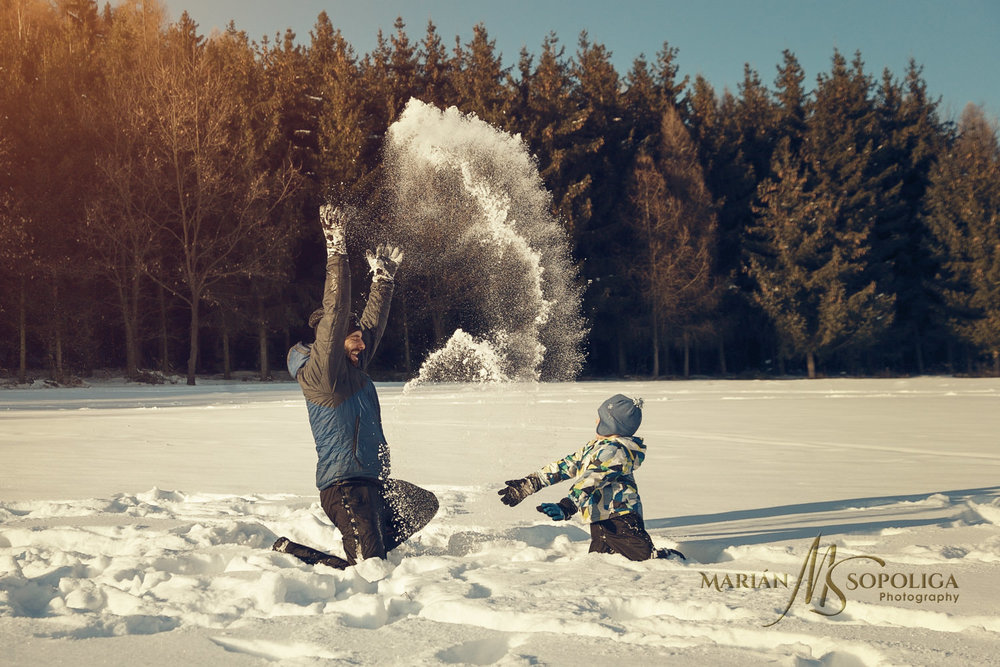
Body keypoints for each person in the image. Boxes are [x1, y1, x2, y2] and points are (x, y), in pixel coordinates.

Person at [273, 203, 438, 569]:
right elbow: (335, 312)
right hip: (345, 487)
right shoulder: (325, 374)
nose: (362, 344)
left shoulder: (353, 367)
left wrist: (383, 280)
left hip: (373, 483)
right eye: (353, 338)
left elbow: (371, 327)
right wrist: (337, 251)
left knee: (423, 503)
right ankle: (304, 553)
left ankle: (368, 544)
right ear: (330, 340)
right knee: (368, 570)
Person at [498, 394, 684, 561]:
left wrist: (568, 505)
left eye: (601, 418)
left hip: (622, 519)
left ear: (610, 424)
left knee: (645, 561)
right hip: (600, 521)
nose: (596, 420)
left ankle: (667, 558)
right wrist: (531, 483)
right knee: (600, 564)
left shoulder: (615, 452)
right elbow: (565, 466)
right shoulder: (595, 447)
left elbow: (592, 479)